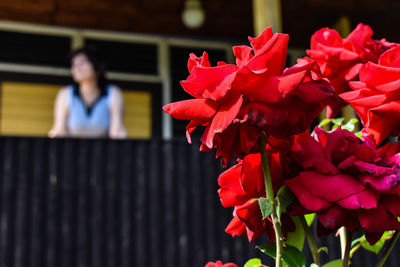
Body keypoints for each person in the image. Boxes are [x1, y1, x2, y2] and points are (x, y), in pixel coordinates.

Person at [49, 46, 127, 138]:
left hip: (103, 150)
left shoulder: (113, 94)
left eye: (82, 63)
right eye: (74, 64)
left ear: (96, 65)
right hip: (71, 150)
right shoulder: (65, 94)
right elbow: (59, 131)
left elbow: (116, 132)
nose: (76, 68)